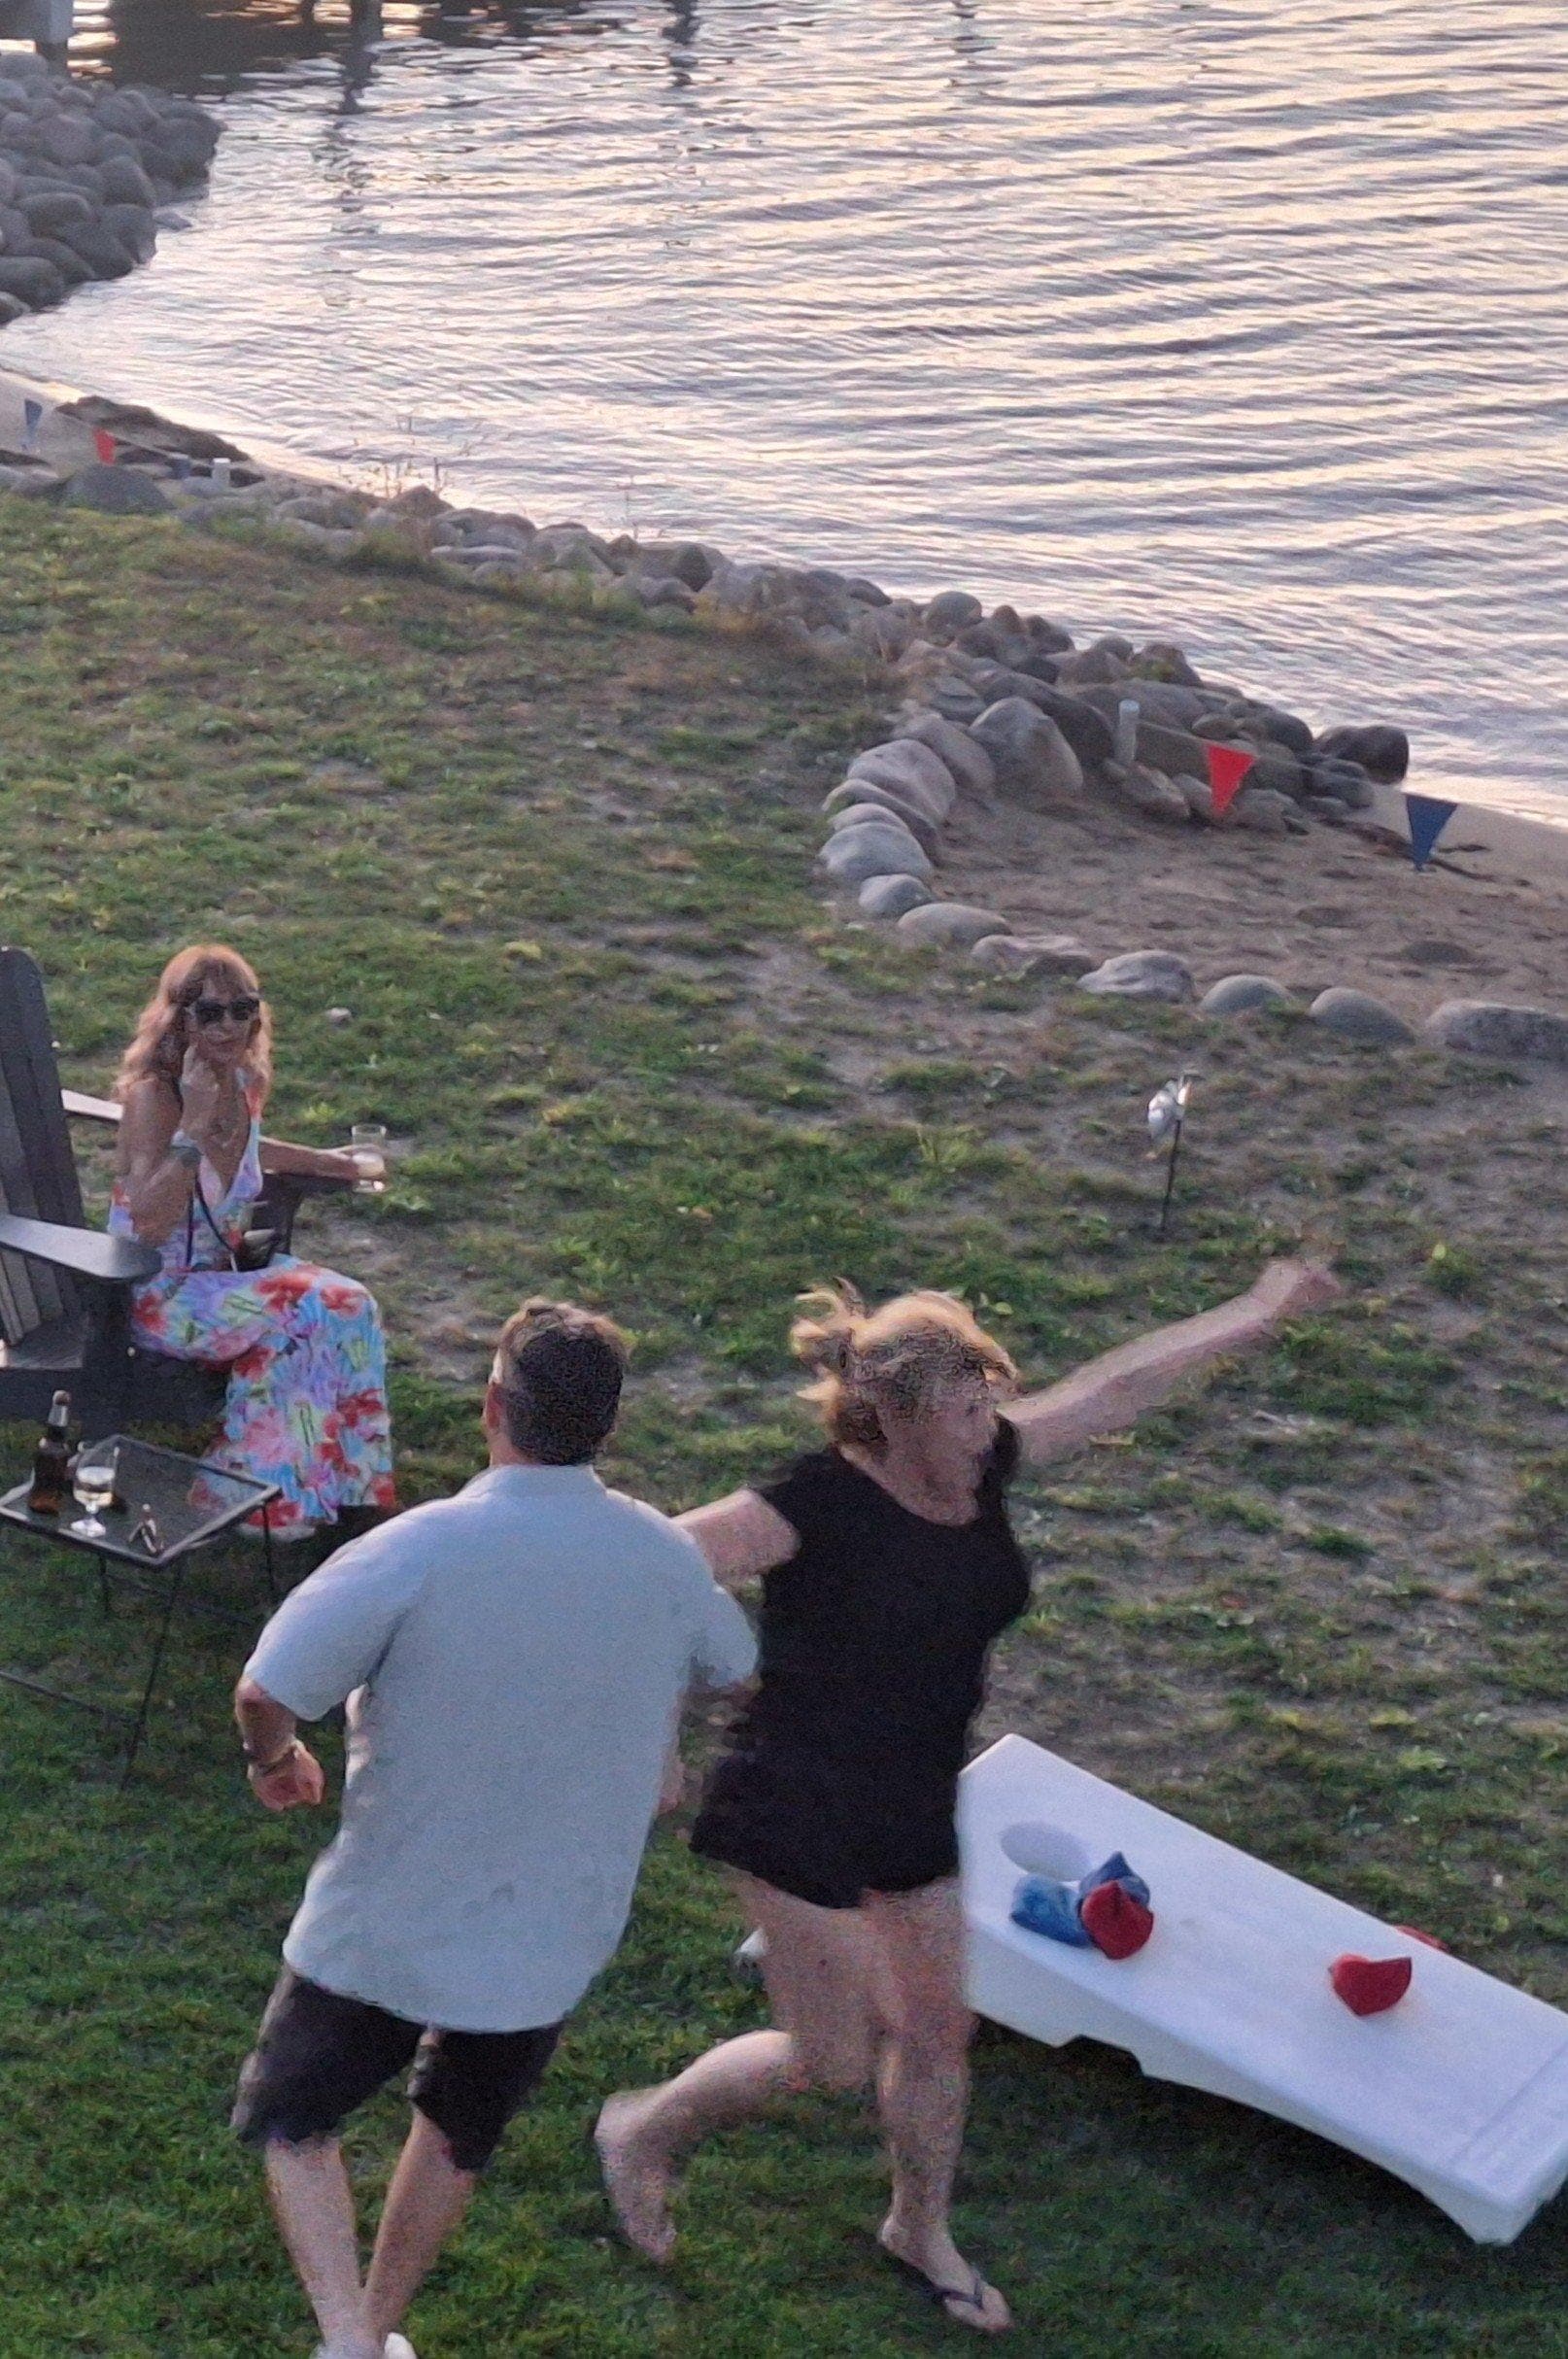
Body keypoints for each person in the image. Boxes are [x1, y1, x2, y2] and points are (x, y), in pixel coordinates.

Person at [596, 1259, 1337, 2335]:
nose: (990, 1428)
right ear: (896, 1420)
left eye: (989, 1401)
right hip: (790, 1800)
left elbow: (1117, 1388)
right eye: (965, 1411)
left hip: (910, 1795)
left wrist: (1258, 1312)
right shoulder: (812, 1502)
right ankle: (642, 2130)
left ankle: (919, 2227)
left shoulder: (983, 1467)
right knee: (831, 2060)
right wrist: (660, 1737)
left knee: (940, 2033)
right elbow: (650, 1571)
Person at [231, 1299, 757, 2359]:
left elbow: (265, 1690)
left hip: (391, 1915)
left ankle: (346, 2340)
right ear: (607, 1428)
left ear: (491, 1408)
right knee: (456, 2132)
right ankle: (376, 2331)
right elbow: (736, 1667)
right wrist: (658, 1735)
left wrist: (275, 1760)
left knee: (294, 2118)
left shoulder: (419, 1549)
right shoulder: (661, 1555)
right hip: (554, 1930)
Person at [110, 943, 394, 1541]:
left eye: (243, 1009)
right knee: (307, 1308)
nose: (229, 1026)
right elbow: (149, 1224)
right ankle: (245, 1498)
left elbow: (245, 1149)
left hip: (222, 1280)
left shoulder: (243, 1080)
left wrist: (336, 1163)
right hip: (156, 1296)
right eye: (210, 1012)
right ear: (179, 1018)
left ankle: (349, 1487)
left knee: (350, 1303)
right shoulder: (152, 1098)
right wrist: (192, 1123)